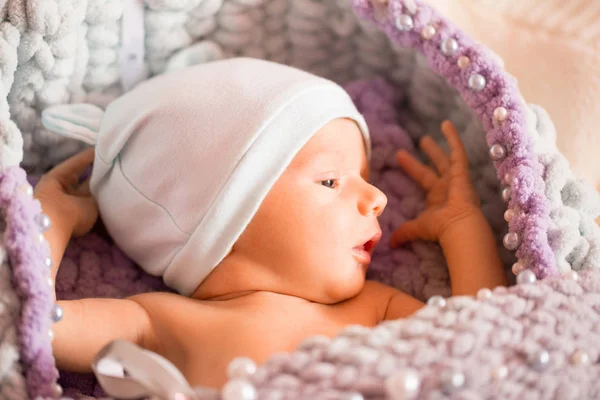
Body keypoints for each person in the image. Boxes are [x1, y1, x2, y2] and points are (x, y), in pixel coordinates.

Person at [34, 58, 507, 389]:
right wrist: (50, 220)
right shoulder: (158, 321)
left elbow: (486, 343)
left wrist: (462, 226)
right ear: (224, 218)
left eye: (363, 179)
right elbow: (36, 320)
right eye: (329, 180)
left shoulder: (375, 308)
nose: (378, 198)